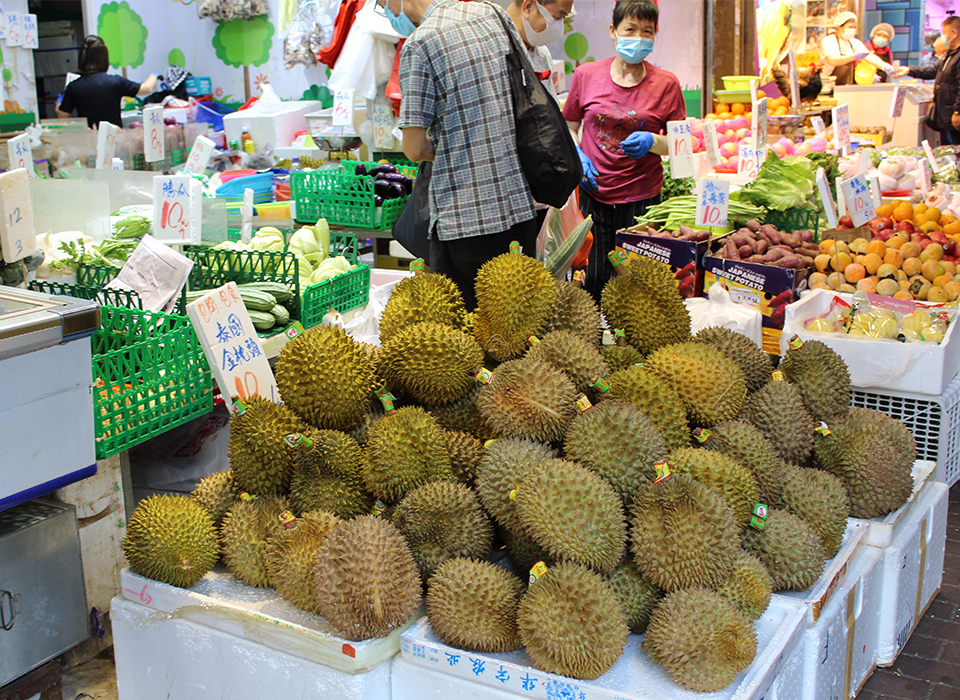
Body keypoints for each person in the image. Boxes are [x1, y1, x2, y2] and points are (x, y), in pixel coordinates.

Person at [388, 0, 541, 310]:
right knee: (521, 318)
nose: (388, 12)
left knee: (470, 331)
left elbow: (414, 147)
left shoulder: (420, 43)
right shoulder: (492, 13)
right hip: (520, 207)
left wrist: (449, 147)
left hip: (465, 221)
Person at [561, 0, 685, 301]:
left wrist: (653, 142)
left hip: (641, 198)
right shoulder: (586, 75)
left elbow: (683, 144)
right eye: (630, 29)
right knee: (592, 279)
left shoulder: (666, 84)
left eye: (647, 31)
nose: (638, 37)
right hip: (593, 192)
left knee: (638, 288)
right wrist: (577, 153)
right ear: (613, 31)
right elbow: (569, 125)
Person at [505, 0, 575, 228]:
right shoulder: (495, 51)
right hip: (505, 193)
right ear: (528, 6)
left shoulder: (542, 54)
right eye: (558, 16)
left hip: (539, 191)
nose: (560, 26)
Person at [56, 36, 157, 128]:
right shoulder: (115, 82)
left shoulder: (74, 86)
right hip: (113, 138)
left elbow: (62, 115)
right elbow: (147, 88)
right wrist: (154, 76)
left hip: (90, 138)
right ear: (104, 58)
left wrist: (59, 100)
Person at [896, 16, 960, 145]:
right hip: (944, 114)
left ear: (953, 33)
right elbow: (933, 72)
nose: (942, 37)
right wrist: (909, 71)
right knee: (945, 149)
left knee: (954, 149)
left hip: (953, 114)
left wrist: (957, 111)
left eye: (943, 33)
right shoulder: (949, 54)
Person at [820, 11, 894, 86]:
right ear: (840, 27)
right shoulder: (828, 41)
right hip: (826, 83)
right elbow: (832, 61)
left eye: (854, 27)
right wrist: (854, 56)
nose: (852, 30)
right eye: (850, 27)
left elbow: (868, 56)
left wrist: (884, 66)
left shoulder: (854, 42)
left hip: (844, 84)